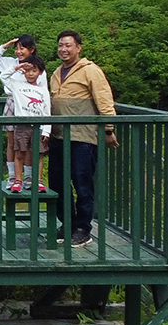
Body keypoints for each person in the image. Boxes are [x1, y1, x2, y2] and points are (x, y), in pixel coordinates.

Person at [47, 30, 117, 245]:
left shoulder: (91, 71)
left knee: (82, 181)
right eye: (60, 45)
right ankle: (66, 223)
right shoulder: (57, 72)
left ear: (78, 48)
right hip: (58, 136)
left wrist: (108, 129)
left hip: (83, 136)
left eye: (68, 45)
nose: (63, 49)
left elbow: (104, 101)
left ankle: (83, 227)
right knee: (58, 182)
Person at [0, 39, 51, 192]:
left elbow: (45, 100)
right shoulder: (11, 63)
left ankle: (31, 179)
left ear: (32, 49)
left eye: (23, 48)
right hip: (13, 102)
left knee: (33, 147)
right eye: (17, 48)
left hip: (33, 111)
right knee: (14, 143)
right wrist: (6, 46)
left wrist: (46, 129)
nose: (19, 51)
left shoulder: (38, 67)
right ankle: (13, 178)